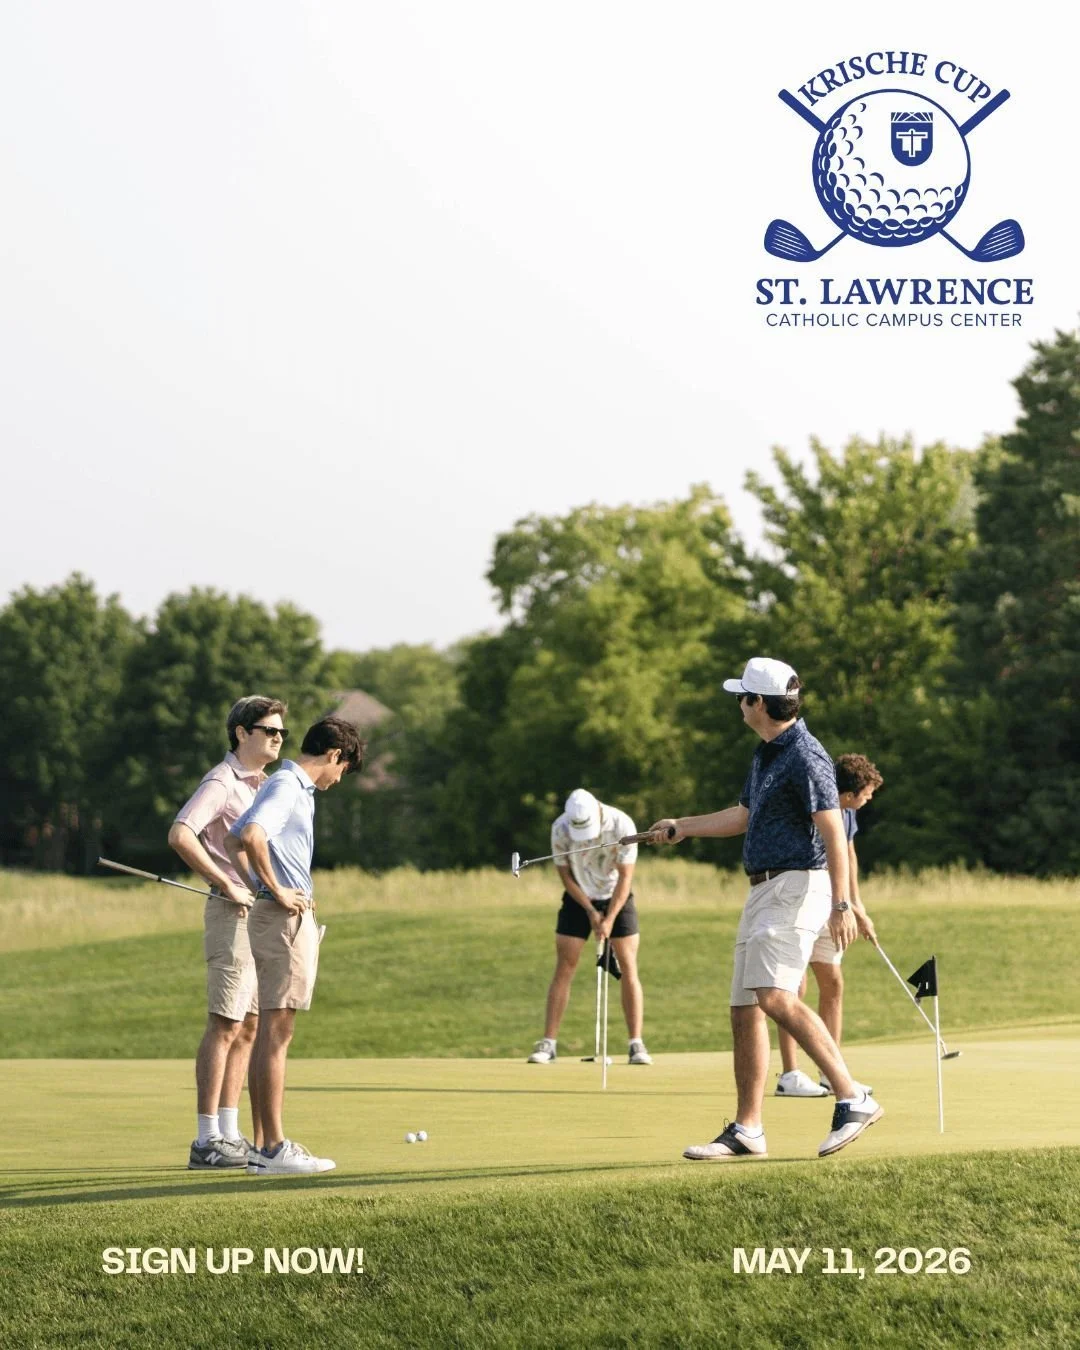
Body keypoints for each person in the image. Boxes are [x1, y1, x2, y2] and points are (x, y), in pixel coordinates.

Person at [649, 657, 883, 1160]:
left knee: (774, 996)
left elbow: (835, 833)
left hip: (798, 886)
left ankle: (852, 1096)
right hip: (762, 889)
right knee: (744, 1006)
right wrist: (684, 825)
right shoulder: (768, 754)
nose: (739, 703)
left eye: (743, 696)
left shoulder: (806, 756)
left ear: (758, 703)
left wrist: (843, 904)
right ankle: (748, 1129)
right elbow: (742, 815)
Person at [225, 716, 365, 1176]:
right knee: (277, 1033)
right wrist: (278, 890)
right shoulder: (289, 785)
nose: (338, 779)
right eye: (342, 770)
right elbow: (249, 837)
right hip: (284, 920)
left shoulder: (284, 782)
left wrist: (266, 885)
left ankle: (264, 1148)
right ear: (334, 755)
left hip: (276, 915)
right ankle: (273, 1149)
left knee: (270, 1029)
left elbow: (234, 839)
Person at [168, 695, 288, 1170]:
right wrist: (223, 882)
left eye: (281, 731)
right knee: (226, 1023)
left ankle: (230, 1132)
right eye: (269, 730)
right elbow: (181, 834)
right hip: (231, 912)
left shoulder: (263, 785)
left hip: (258, 913)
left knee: (251, 1025)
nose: (278, 737)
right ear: (242, 733)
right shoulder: (221, 782)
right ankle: (205, 1139)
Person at [775, 753, 884, 1098]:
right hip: (800, 898)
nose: (867, 801)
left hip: (833, 904)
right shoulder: (813, 804)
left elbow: (847, 856)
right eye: (866, 794)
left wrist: (856, 906)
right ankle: (790, 1075)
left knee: (832, 982)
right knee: (794, 986)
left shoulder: (848, 815)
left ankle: (830, 1071)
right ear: (850, 793)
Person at [528, 788, 652, 1067]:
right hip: (578, 898)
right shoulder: (560, 828)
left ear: (598, 811)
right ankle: (548, 1043)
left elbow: (625, 877)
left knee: (628, 966)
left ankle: (636, 1044)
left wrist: (608, 918)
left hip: (617, 896)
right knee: (565, 966)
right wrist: (590, 911)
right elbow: (565, 875)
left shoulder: (622, 824)